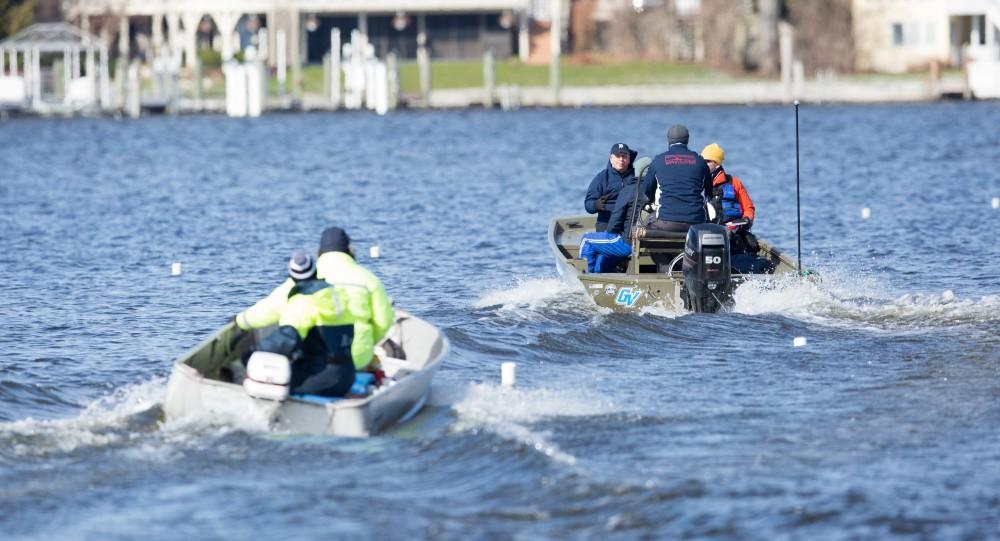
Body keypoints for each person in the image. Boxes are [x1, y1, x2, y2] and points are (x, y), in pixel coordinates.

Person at [254, 227, 394, 397]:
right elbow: (383, 322)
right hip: (359, 358)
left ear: (318, 252)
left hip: (319, 364)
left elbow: (269, 309)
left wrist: (240, 321)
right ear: (350, 250)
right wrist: (368, 343)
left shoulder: (306, 278)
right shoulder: (369, 279)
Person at [641, 124, 712, 234]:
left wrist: (652, 200)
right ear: (687, 140)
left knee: (643, 223)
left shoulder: (658, 161)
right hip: (696, 222)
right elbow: (708, 192)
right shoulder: (700, 162)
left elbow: (646, 189)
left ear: (668, 141)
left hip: (666, 222)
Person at [233, 249, 317, 333]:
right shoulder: (328, 288)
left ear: (291, 274)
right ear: (315, 271)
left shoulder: (282, 294)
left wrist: (237, 321)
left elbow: (259, 315)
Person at [584, 143, 637, 232]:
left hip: (629, 223)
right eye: (617, 156)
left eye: (624, 156)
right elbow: (588, 204)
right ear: (611, 159)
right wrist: (595, 205)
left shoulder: (636, 176)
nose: (621, 159)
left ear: (629, 159)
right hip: (606, 222)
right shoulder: (602, 178)